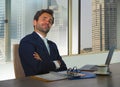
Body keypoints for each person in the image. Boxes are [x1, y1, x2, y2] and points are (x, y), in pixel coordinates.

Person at [19, 9, 67, 76]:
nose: (47, 22)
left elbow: (63, 68)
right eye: (44, 19)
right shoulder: (27, 42)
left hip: (55, 82)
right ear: (35, 22)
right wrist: (56, 63)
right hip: (36, 83)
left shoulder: (52, 45)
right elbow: (37, 68)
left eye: (50, 21)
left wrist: (43, 61)